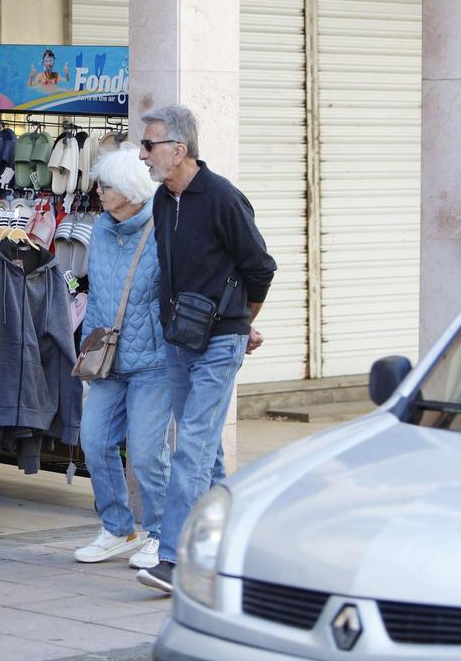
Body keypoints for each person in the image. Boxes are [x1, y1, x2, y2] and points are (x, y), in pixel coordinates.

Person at [135, 104, 275, 594]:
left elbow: (260, 267)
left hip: (219, 342)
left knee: (189, 446)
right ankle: (230, 547)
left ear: (179, 149)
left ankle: (176, 560)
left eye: (148, 145)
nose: (142, 155)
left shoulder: (222, 199)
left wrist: (242, 323)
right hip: (180, 341)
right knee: (207, 451)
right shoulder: (160, 200)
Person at [73, 143, 171, 571]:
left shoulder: (163, 230)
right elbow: (96, 295)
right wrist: (87, 351)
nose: (99, 191)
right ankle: (118, 527)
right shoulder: (100, 231)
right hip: (108, 362)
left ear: (132, 190)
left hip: (155, 361)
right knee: (93, 442)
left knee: (148, 454)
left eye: (108, 185)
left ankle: (163, 534)